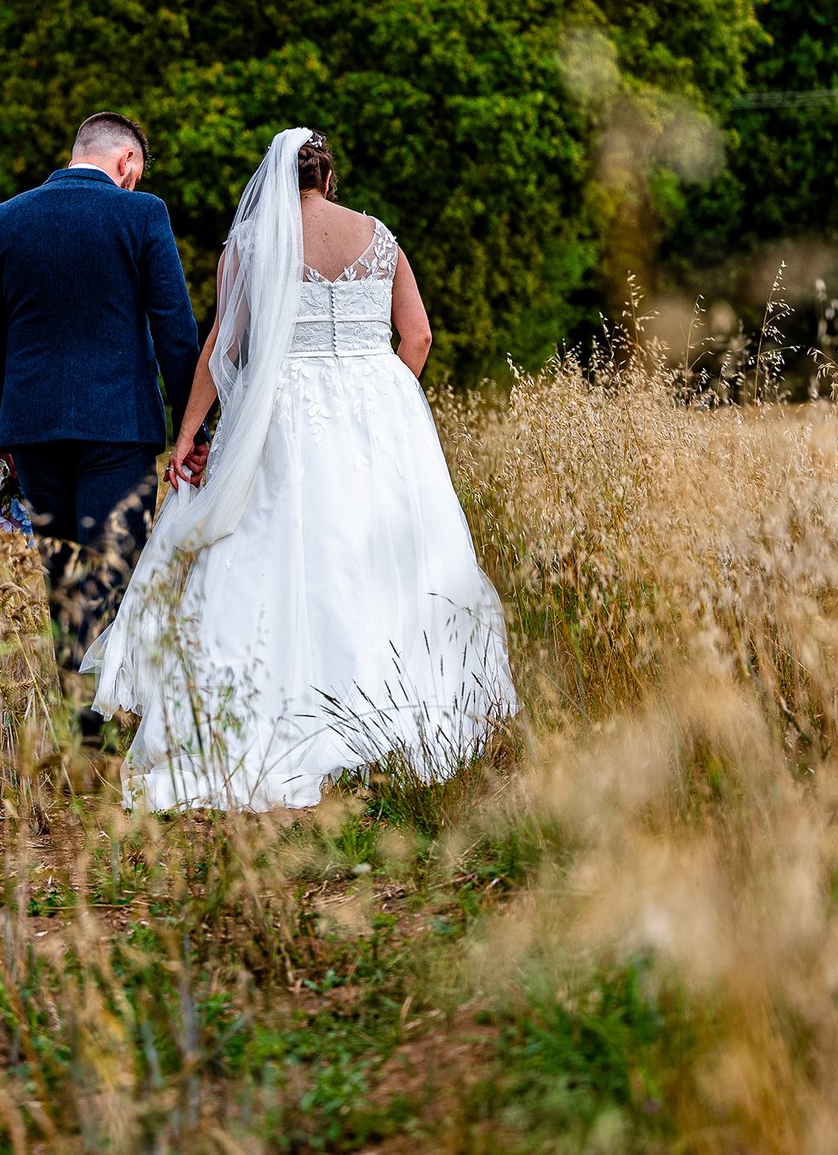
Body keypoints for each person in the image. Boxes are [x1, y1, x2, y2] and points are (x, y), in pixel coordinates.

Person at [84, 127, 515, 810]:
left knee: (278, 552)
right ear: (329, 177)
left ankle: (264, 721)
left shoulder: (252, 244)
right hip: (379, 408)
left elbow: (223, 346)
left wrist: (190, 431)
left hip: (284, 410)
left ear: (278, 181)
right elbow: (419, 335)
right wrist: (383, 399)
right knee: (388, 559)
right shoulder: (382, 238)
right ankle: (395, 723)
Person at [0, 114, 201, 731]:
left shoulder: (3, 221)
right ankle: (106, 721)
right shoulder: (142, 215)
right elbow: (175, 330)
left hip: (32, 430)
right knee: (111, 567)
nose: (135, 182)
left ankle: (81, 721)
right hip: (117, 424)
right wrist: (193, 431)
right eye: (137, 172)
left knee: (64, 571)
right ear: (126, 160)